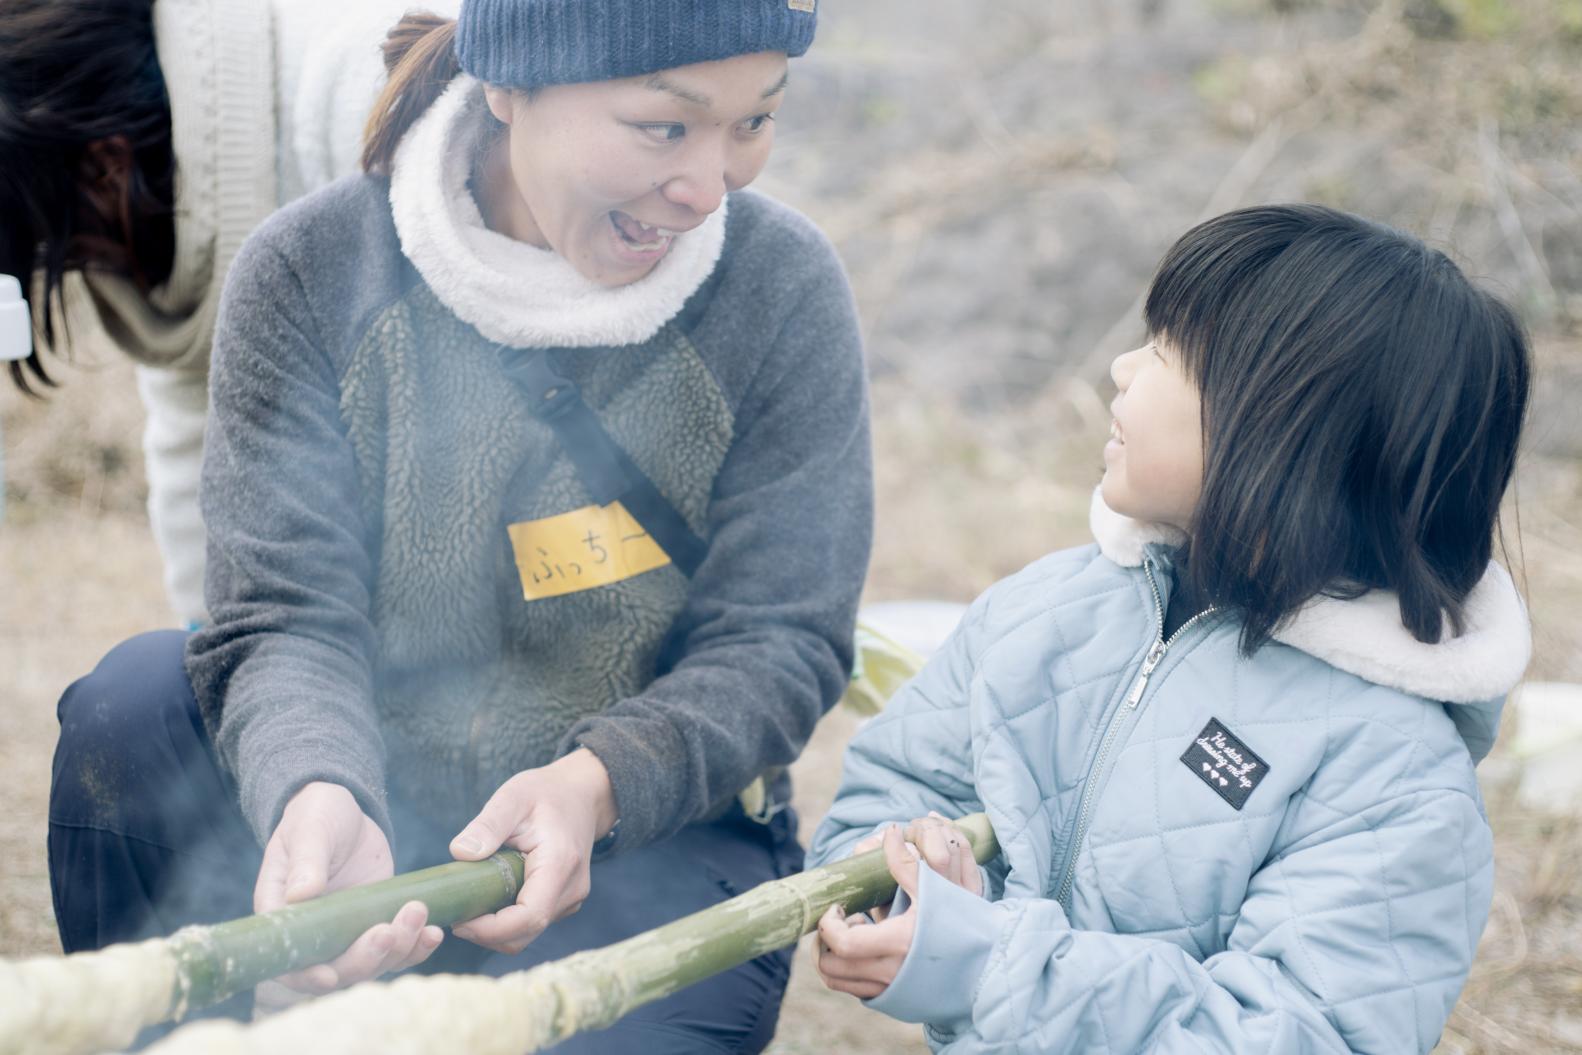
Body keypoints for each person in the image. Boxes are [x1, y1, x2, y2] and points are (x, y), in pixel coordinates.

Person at [48, 1, 871, 1051]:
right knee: (135, 700)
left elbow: (780, 636)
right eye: (665, 126)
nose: (709, 185)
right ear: (510, 83)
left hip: (643, 837)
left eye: (753, 122)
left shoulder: (780, 289)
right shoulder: (311, 271)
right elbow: (283, 612)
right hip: (383, 819)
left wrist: (595, 783)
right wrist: (314, 784)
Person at [807, 204, 1530, 1054]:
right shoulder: (1047, 611)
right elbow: (894, 785)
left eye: (1163, 353)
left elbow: (1297, 1032)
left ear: (1280, 438)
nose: (1120, 368)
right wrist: (908, 899)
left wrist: (991, 966)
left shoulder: (1395, 776)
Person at [0, 0, 456, 623]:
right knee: (148, 694)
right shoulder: (163, 209)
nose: (77, 268)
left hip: (520, 550)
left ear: (106, 168)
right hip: (354, 613)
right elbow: (200, 451)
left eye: (62, 246)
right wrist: (215, 652)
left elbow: (448, 420)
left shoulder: (354, 91)